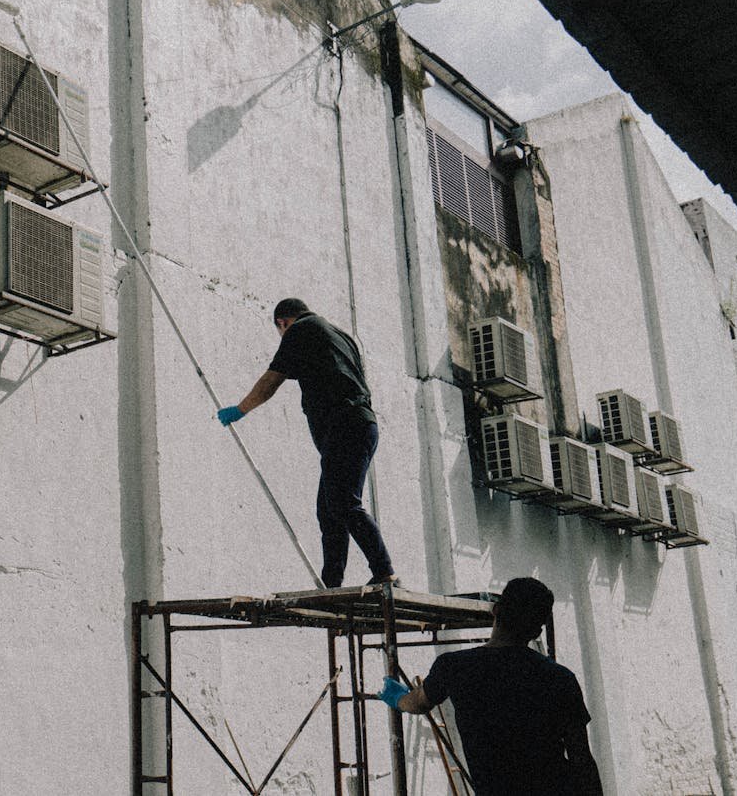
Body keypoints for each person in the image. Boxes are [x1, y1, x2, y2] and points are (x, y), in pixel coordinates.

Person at [216, 297, 394, 588]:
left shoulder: (300, 330)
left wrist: (241, 409)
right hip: (358, 425)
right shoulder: (339, 335)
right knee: (329, 508)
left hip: (344, 426)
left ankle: (385, 571)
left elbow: (272, 380)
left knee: (343, 503)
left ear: (282, 323)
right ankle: (332, 583)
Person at [378, 577, 603, 796]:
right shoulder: (560, 678)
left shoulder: (454, 667)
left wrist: (396, 697)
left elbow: (417, 702)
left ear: (495, 610)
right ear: (537, 631)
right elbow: (581, 758)